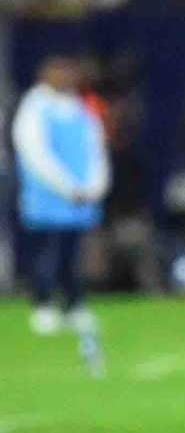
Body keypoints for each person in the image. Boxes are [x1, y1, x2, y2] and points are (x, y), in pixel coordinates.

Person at [12, 56, 110, 349]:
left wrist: (95, 185)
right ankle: (43, 305)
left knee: (72, 255)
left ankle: (73, 305)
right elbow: (35, 153)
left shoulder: (81, 108)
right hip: (48, 198)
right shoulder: (34, 108)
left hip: (80, 200)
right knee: (46, 254)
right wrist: (66, 186)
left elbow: (96, 149)